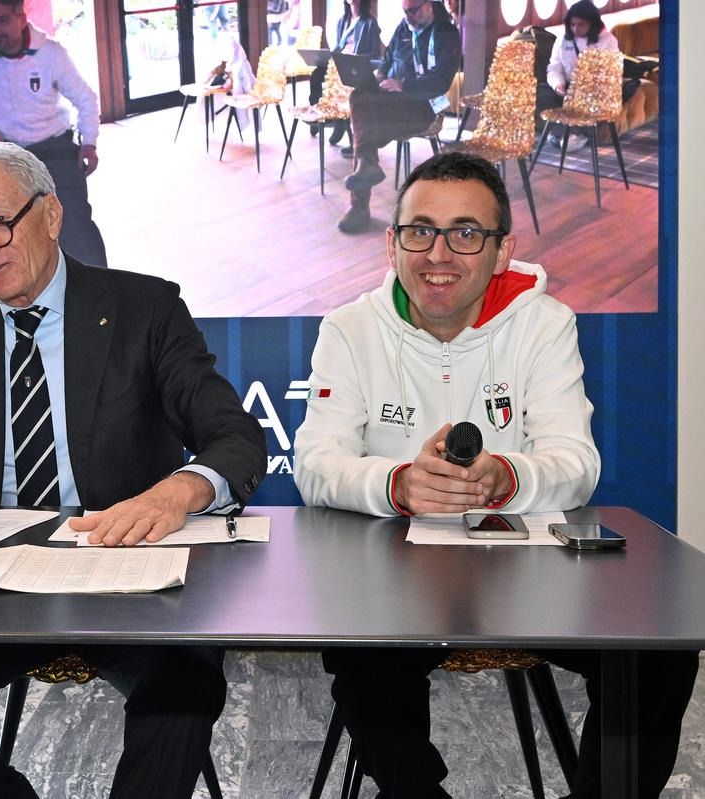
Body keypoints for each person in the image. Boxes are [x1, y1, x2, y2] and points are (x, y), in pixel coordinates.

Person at [0, 141, 266, 798]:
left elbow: (235, 437)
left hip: (124, 567)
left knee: (184, 685)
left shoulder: (144, 308)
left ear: (50, 214)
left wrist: (176, 492)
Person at [293, 151, 697, 798]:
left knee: (657, 655)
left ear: (501, 249)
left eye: (465, 233)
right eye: (419, 231)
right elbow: (315, 464)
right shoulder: (348, 329)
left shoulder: (544, 323)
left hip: (527, 578)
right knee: (364, 659)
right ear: (392, 243)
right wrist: (398, 484)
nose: (438, 254)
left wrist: (502, 478)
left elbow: (575, 464)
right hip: (390, 580)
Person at [0, 0, 109, 268]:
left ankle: (98, 288)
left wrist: (89, 142)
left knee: (74, 223)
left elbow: (86, 99)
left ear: (21, 18)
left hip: (54, 147)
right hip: (4, 153)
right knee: (11, 233)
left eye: (3, 21)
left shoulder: (51, 53)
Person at [339, 0, 460, 235]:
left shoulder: (447, 33)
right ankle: (366, 165)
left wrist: (403, 85)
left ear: (428, 6)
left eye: (412, 11)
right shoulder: (404, 28)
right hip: (394, 100)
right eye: (404, 11)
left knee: (365, 131)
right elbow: (386, 60)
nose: (407, 17)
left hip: (424, 107)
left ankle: (359, 205)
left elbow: (442, 81)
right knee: (359, 95)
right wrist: (379, 76)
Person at [537, 0, 621, 149]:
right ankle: (566, 134)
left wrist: (587, 87)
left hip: (594, 91)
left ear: (592, 24)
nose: (575, 29)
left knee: (588, 105)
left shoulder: (608, 40)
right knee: (537, 93)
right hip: (567, 87)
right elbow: (554, 68)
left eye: (581, 25)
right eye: (572, 24)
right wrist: (558, 84)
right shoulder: (563, 40)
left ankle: (571, 134)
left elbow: (614, 70)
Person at [307, 0, 382, 145]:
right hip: (339, 62)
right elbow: (338, 47)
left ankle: (340, 122)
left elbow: (375, 53)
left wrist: (356, 58)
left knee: (342, 81)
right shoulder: (342, 21)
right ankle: (317, 115)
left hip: (355, 66)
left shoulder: (370, 22)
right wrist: (327, 57)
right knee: (317, 74)